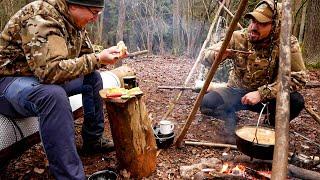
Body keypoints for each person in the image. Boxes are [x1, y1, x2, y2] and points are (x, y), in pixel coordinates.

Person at [0, 0, 126, 179]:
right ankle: (69, 176)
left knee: (92, 78)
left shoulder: (74, 20)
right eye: (93, 12)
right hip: (8, 82)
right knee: (53, 95)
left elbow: (85, 56)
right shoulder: (41, 18)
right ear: (74, 5)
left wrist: (107, 55)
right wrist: (98, 59)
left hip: (35, 78)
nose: (95, 19)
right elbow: (50, 72)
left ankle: (93, 140)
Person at [200, 0, 307, 144]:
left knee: (296, 101)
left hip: (268, 98)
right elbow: (204, 57)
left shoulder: (287, 44)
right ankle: (230, 118)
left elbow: (298, 78)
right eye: (253, 21)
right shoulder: (238, 37)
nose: (253, 27)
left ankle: (269, 126)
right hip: (236, 91)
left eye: (262, 24)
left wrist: (262, 93)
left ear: (275, 25)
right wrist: (215, 55)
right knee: (206, 103)